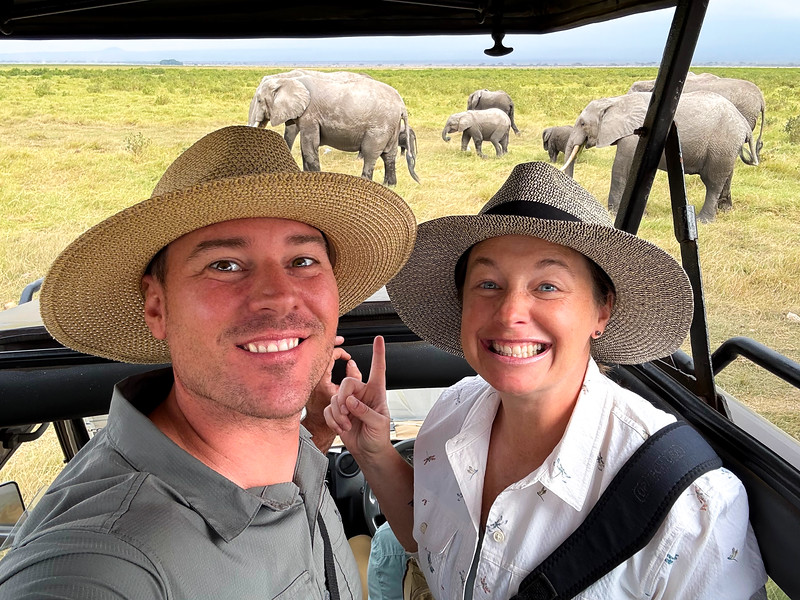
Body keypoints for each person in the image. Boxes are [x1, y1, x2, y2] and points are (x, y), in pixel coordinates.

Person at [0, 125, 416, 599]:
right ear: (157, 307)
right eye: (224, 265)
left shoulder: (291, 455)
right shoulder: (98, 567)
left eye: (302, 260)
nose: (279, 297)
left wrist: (318, 435)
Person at [325, 162, 768, 599]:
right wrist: (376, 453)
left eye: (548, 286)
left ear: (601, 310)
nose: (510, 312)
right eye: (488, 284)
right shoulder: (451, 414)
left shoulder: (692, 509)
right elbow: (423, 541)